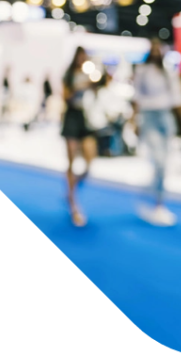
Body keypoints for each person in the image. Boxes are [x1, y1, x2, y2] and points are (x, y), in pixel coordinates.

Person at [130, 38, 181, 226]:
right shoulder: (142, 71)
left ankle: (155, 198)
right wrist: (135, 121)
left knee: (164, 163)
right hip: (149, 117)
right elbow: (137, 97)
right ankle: (157, 202)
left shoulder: (168, 72)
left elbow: (177, 98)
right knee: (159, 162)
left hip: (165, 117)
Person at [61, 47, 98, 228]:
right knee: (72, 161)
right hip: (72, 117)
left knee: (90, 159)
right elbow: (65, 96)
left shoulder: (90, 73)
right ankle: (73, 203)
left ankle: (73, 185)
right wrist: (78, 87)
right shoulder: (69, 76)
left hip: (86, 116)